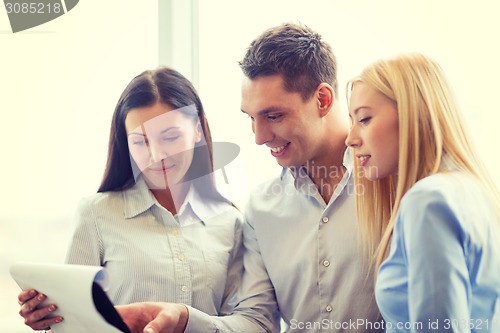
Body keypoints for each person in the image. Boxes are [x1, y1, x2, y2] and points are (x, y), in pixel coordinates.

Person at [110, 23, 383, 333]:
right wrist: (185, 319)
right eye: (251, 118)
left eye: (273, 116)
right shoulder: (262, 209)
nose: (259, 137)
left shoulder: (393, 182)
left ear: (322, 99)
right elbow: (257, 322)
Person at [16, 67, 244, 332]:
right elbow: (75, 325)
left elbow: (242, 324)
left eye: (170, 137)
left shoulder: (231, 222)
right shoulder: (96, 215)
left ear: (196, 130)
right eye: (139, 142)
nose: (156, 154)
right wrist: (50, 320)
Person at [345, 53, 500, 332]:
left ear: (412, 114)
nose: (351, 138)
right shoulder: (475, 190)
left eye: (365, 119)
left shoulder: (428, 200)